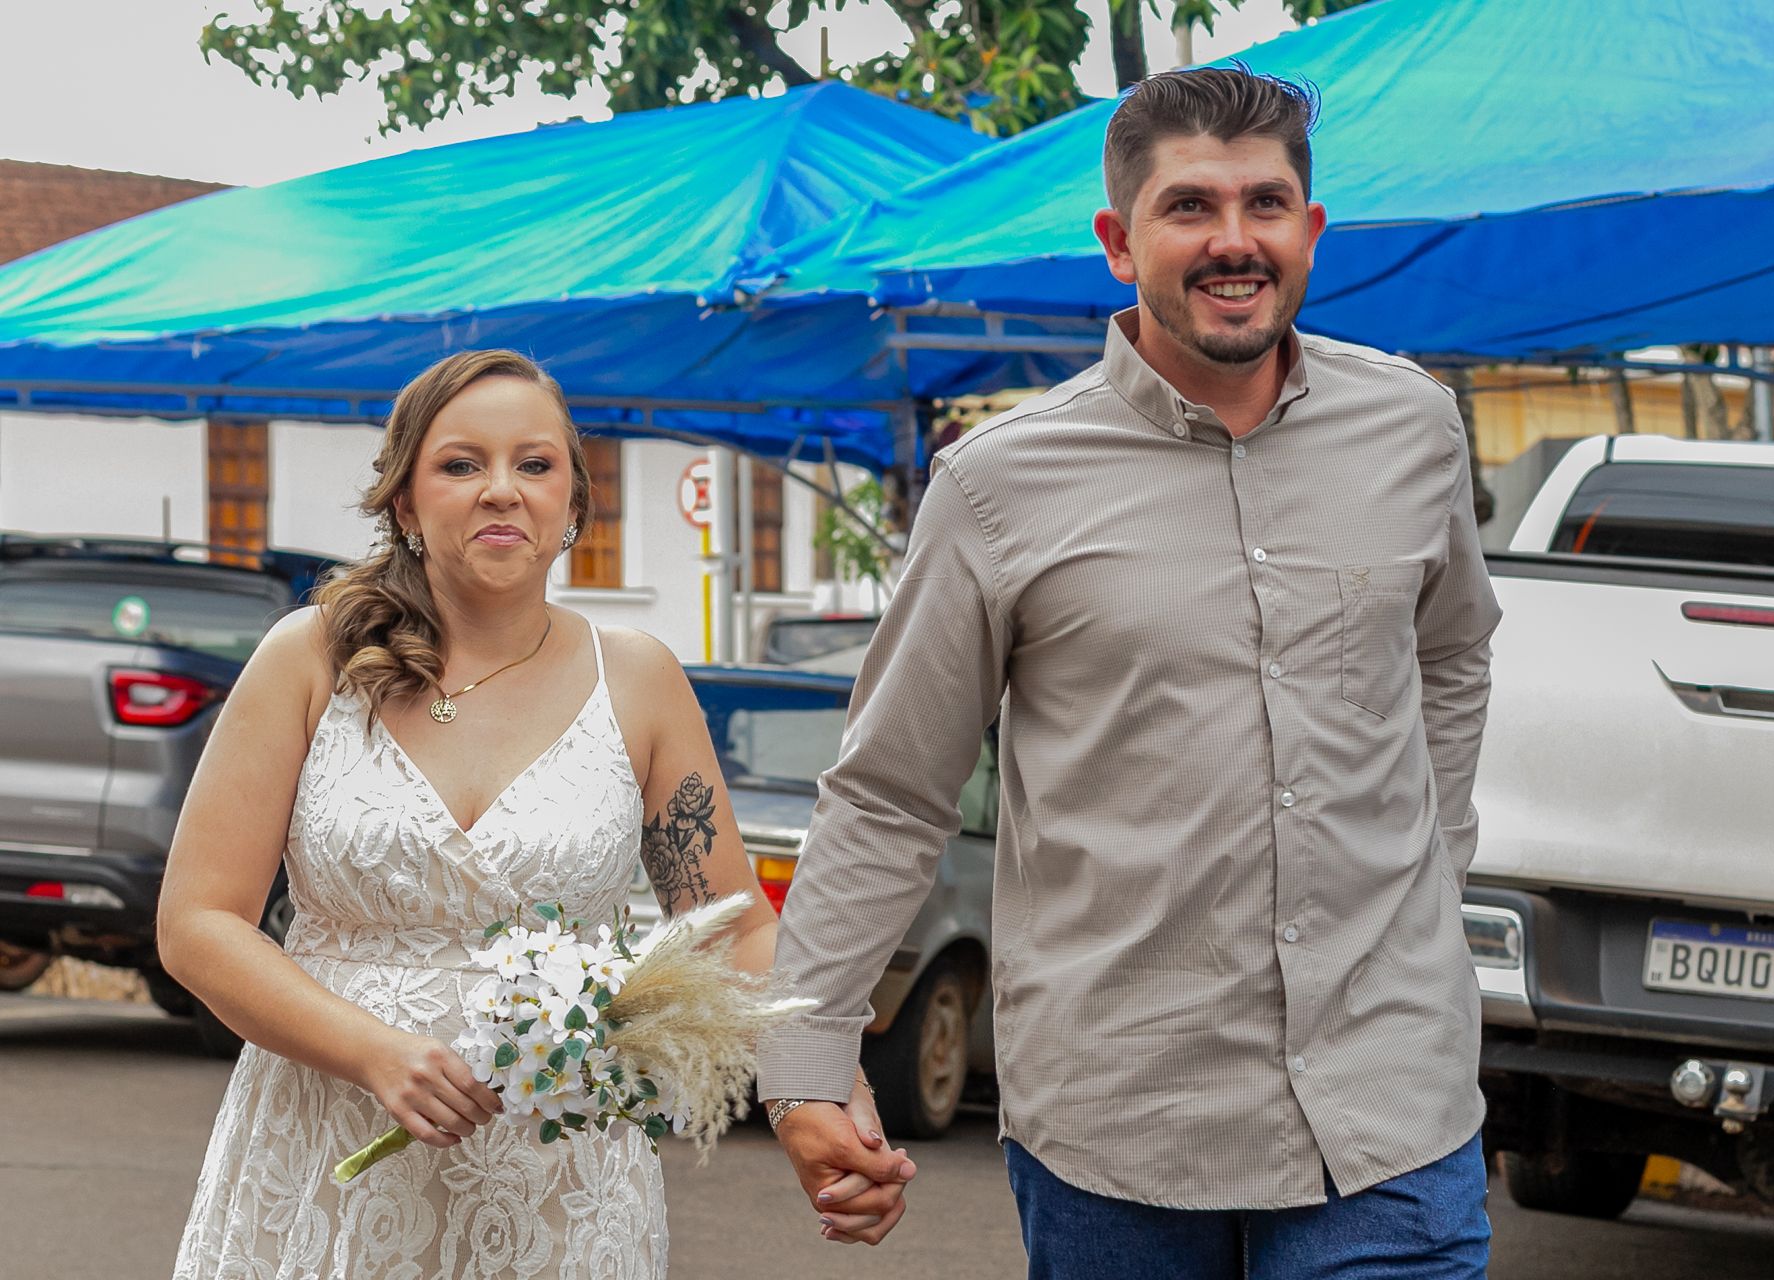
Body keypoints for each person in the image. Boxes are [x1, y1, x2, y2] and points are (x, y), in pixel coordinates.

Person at [758, 65, 1503, 1277]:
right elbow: (892, 786)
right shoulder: (998, 488)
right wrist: (802, 1059)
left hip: (1390, 1104)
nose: (1233, 241)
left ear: (1310, 231)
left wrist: (1435, 858)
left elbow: (1453, 649)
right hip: (1121, 1121)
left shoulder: (1413, 428)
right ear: (1118, 241)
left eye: (1265, 204)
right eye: (1190, 207)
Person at [156, 349, 905, 1278]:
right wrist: (371, 1052)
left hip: (556, 1180)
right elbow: (197, 924)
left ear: (575, 506)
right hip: (323, 1148)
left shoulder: (637, 678)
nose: (502, 491)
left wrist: (817, 1090)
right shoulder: (311, 659)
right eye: (461, 464)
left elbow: (728, 927)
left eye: (536, 465)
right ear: (404, 503)